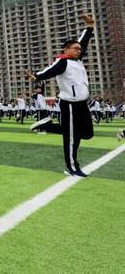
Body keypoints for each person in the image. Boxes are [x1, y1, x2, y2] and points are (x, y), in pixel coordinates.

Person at [26, 14, 96, 177]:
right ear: (66, 49)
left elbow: (83, 41)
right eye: (75, 48)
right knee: (72, 138)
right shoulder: (63, 61)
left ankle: (47, 126)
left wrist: (90, 27)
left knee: (87, 133)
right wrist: (36, 76)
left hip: (82, 104)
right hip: (69, 104)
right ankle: (71, 167)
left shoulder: (77, 61)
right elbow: (49, 71)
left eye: (80, 49)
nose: (79, 51)